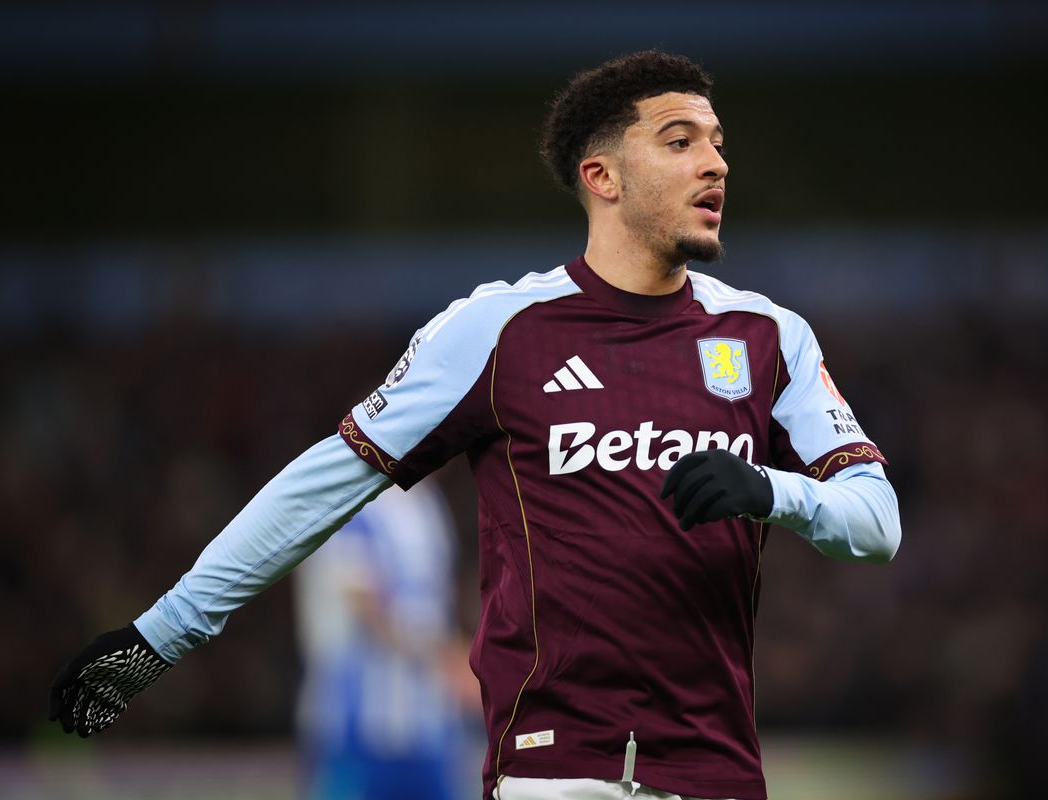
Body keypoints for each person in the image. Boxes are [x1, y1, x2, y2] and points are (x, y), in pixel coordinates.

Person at [49, 51, 901, 800]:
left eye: (718, 142)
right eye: (680, 142)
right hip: (554, 773)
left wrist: (775, 491)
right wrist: (159, 636)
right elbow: (322, 485)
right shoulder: (497, 330)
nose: (714, 163)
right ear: (601, 176)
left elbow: (878, 522)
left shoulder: (767, 336)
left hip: (719, 775)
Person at [294, 479, 472, 799]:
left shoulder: (428, 501)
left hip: (427, 722)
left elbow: (438, 603)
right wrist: (447, 658)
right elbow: (363, 601)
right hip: (355, 722)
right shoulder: (349, 494)